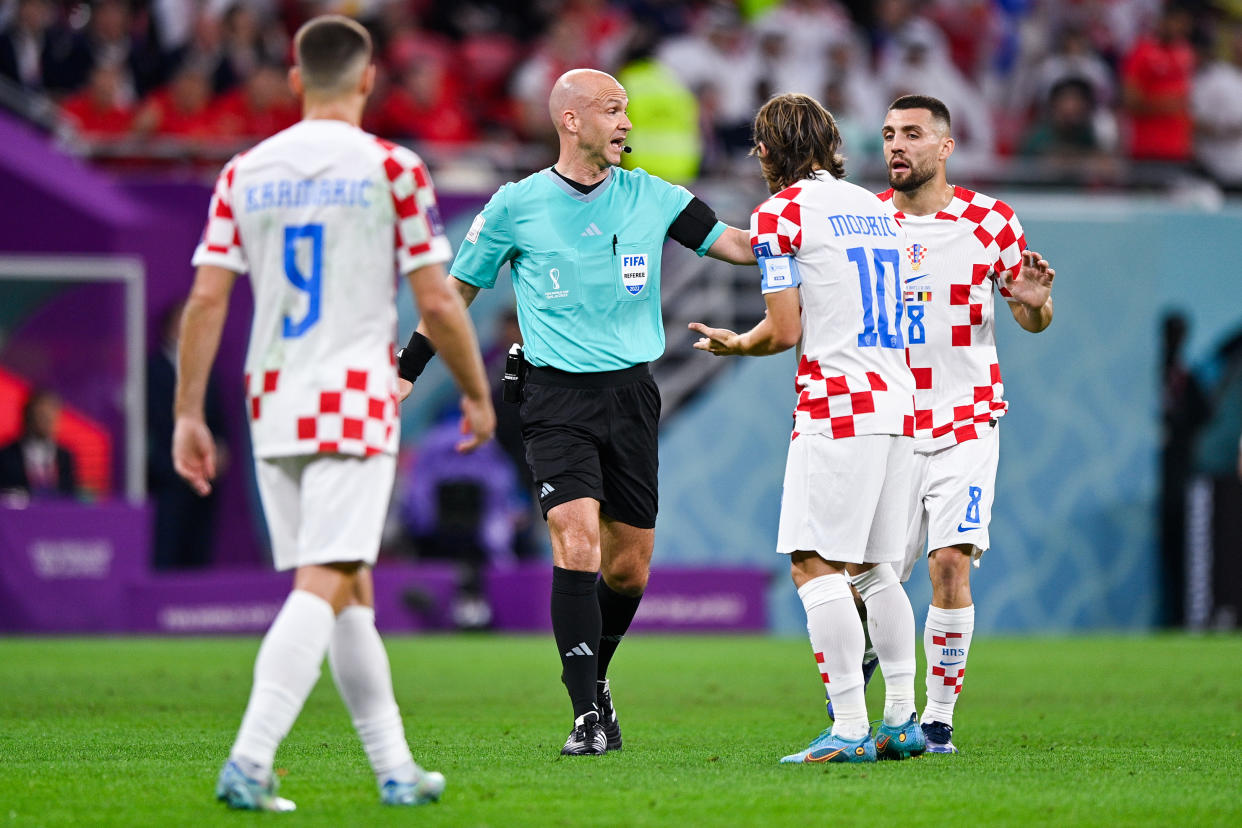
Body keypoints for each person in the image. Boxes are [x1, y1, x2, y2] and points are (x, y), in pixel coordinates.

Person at [173, 15, 494, 812]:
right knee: (326, 578)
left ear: (293, 81)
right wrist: (478, 392)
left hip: (270, 398)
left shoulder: (244, 171)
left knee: (350, 583)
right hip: (350, 395)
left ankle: (395, 769)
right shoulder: (394, 167)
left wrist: (188, 412)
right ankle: (249, 758)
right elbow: (438, 302)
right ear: (367, 80)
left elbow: (206, 299)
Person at [396, 67, 755, 756]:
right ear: (570, 120)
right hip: (553, 395)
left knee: (628, 568)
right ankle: (585, 715)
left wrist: (803, 235)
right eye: (612, 110)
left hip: (630, 395)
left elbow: (734, 245)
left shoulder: (652, 195)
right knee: (577, 541)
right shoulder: (515, 205)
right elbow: (453, 296)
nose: (626, 122)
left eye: (626, 111)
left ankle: (597, 679)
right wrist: (408, 370)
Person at [689, 92, 923, 764]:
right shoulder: (880, 211)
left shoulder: (780, 213)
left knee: (814, 563)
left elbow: (785, 330)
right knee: (877, 571)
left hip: (838, 404)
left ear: (769, 149)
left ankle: (849, 726)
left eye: (759, 146)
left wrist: (738, 344)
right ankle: (902, 720)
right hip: (899, 401)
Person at [877, 94, 1055, 753]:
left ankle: (938, 715)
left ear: (945, 147)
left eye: (913, 134)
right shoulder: (866, 223)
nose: (898, 145)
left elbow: (1030, 318)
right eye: (890, 133)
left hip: (967, 419)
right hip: (887, 422)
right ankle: (877, 707)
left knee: (949, 563)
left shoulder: (991, 222)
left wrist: (1034, 306)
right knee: (876, 578)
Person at [148, 300, 228, 570]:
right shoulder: (152, 371)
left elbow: (216, 418)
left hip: (204, 476)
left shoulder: (205, 371)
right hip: (168, 478)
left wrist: (219, 450)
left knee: (199, 550)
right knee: (168, 548)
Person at [0, 388, 78, 498]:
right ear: (28, 417)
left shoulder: (65, 456)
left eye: (51, 416)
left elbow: (70, 495)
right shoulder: (6, 455)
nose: (48, 422)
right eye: (41, 416)